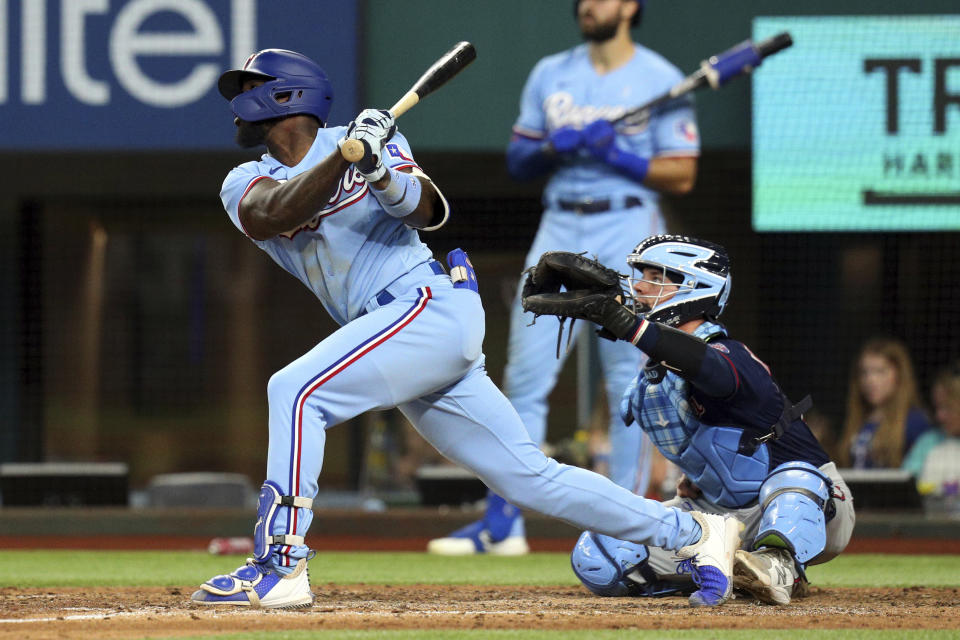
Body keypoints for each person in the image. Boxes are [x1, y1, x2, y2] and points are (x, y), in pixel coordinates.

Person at [190, 48, 743, 610]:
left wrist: (378, 166)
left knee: (296, 390)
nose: (236, 105)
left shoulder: (372, 139)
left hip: (426, 305)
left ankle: (281, 563)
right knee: (527, 477)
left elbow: (426, 212)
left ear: (286, 95)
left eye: (248, 89)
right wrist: (344, 160)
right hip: (394, 332)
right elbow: (273, 213)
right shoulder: (245, 179)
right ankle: (697, 536)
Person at [428, 0, 699, 557]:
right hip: (560, 220)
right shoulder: (552, 72)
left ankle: (627, 530)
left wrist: (618, 153)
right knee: (524, 378)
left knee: (633, 381)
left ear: (629, 6)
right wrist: (556, 145)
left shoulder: (661, 77)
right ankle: (504, 523)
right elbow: (519, 158)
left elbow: (683, 172)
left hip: (631, 227)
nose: (587, 5)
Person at [520, 235, 856, 605]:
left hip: (813, 503)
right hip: (722, 514)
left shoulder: (728, 353)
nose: (641, 286)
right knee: (599, 553)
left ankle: (779, 567)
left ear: (695, 288)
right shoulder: (654, 378)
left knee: (795, 478)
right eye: (641, 273)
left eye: (657, 275)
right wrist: (705, 476)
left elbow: (708, 368)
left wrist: (627, 325)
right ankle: (726, 569)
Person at [839, 337, 933, 469]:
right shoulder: (858, 419)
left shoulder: (914, 422)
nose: (870, 380)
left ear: (899, 375)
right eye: (864, 372)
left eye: (880, 371)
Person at [903, 362, 960, 495]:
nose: (939, 416)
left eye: (947, 408)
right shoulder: (928, 443)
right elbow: (906, 485)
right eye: (937, 407)